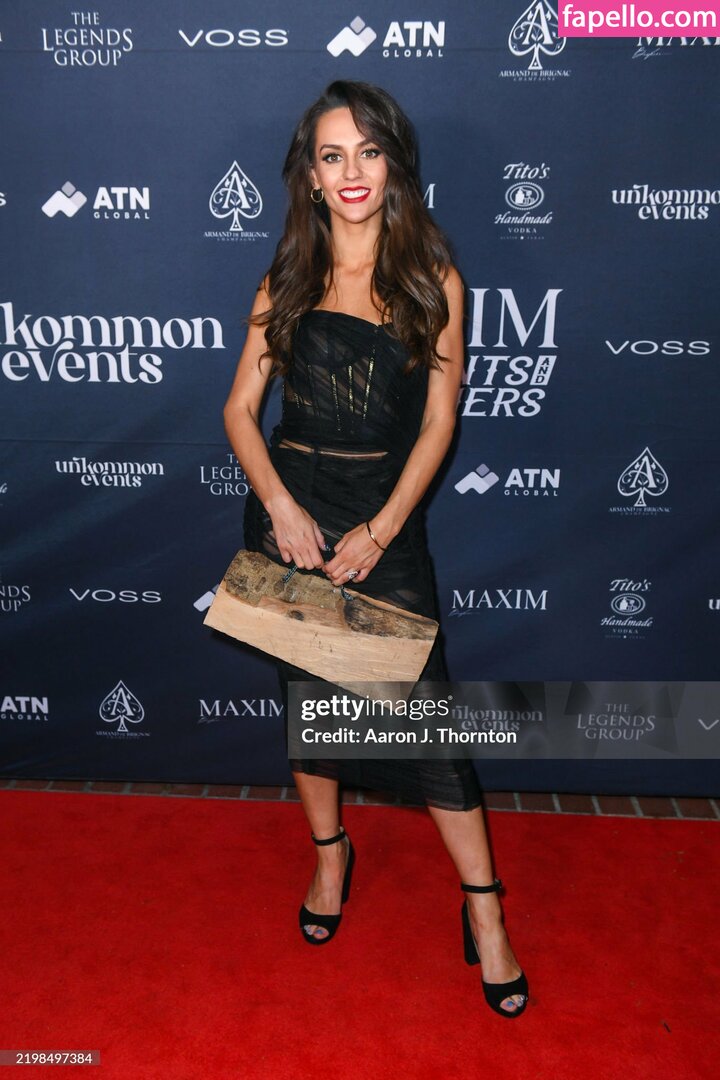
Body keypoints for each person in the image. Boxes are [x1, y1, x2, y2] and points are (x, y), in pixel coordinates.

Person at [222, 80, 528, 1018]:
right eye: (332, 155)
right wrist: (279, 506)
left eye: (368, 151)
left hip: (381, 521)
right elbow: (240, 411)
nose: (351, 171)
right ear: (310, 177)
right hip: (292, 519)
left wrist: (385, 527)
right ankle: (330, 860)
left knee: (428, 731)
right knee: (310, 710)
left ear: (393, 164)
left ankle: (485, 911)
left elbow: (439, 424)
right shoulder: (286, 279)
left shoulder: (433, 280)